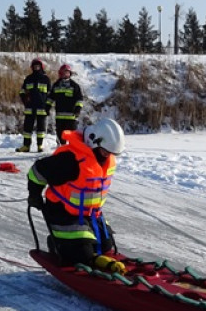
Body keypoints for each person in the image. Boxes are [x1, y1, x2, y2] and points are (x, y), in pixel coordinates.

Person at [27, 117, 126, 273]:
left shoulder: (104, 158)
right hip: (63, 213)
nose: (107, 156)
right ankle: (59, 245)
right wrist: (35, 195)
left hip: (90, 214)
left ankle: (68, 245)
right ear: (93, 142)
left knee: (106, 247)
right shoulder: (70, 160)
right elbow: (36, 172)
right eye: (105, 151)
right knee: (83, 255)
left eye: (110, 153)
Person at [17, 58, 52, 152]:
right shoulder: (28, 78)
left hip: (42, 108)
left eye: (38, 66)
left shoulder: (46, 79)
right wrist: (25, 100)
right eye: (35, 66)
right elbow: (22, 91)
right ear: (32, 67)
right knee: (27, 128)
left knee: (41, 129)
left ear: (41, 67)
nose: (36, 67)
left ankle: (40, 145)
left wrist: (48, 107)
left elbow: (50, 94)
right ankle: (26, 146)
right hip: (30, 108)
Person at [48, 63, 84, 141]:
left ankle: (72, 150)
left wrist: (78, 108)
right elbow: (50, 98)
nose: (66, 74)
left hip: (71, 116)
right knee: (60, 135)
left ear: (70, 73)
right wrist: (47, 107)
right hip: (59, 116)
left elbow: (80, 99)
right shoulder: (56, 85)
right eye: (64, 72)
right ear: (60, 73)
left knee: (72, 135)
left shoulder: (74, 86)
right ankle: (61, 148)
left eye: (67, 72)